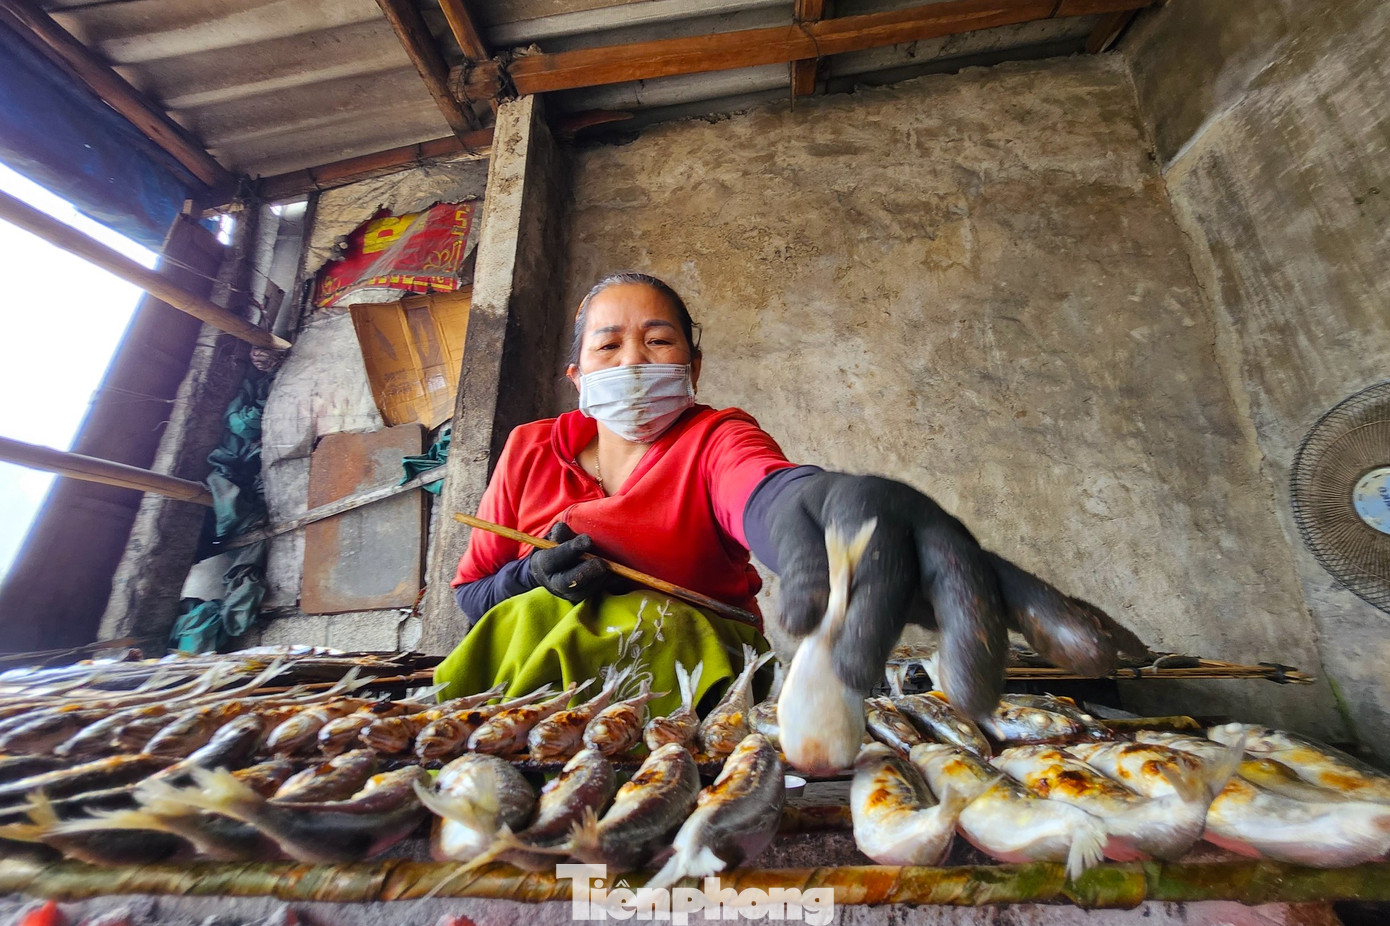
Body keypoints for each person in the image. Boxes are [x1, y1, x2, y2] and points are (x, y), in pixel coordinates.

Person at [435, 272, 1133, 720]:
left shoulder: (716, 438)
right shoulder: (531, 448)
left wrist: (824, 506)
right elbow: (472, 601)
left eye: (658, 341)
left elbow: (765, 494)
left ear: (694, 365)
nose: (634, 363)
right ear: (576, 374)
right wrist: (528, 577)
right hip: (527, 703)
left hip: (693, 696)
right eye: (609, 347)